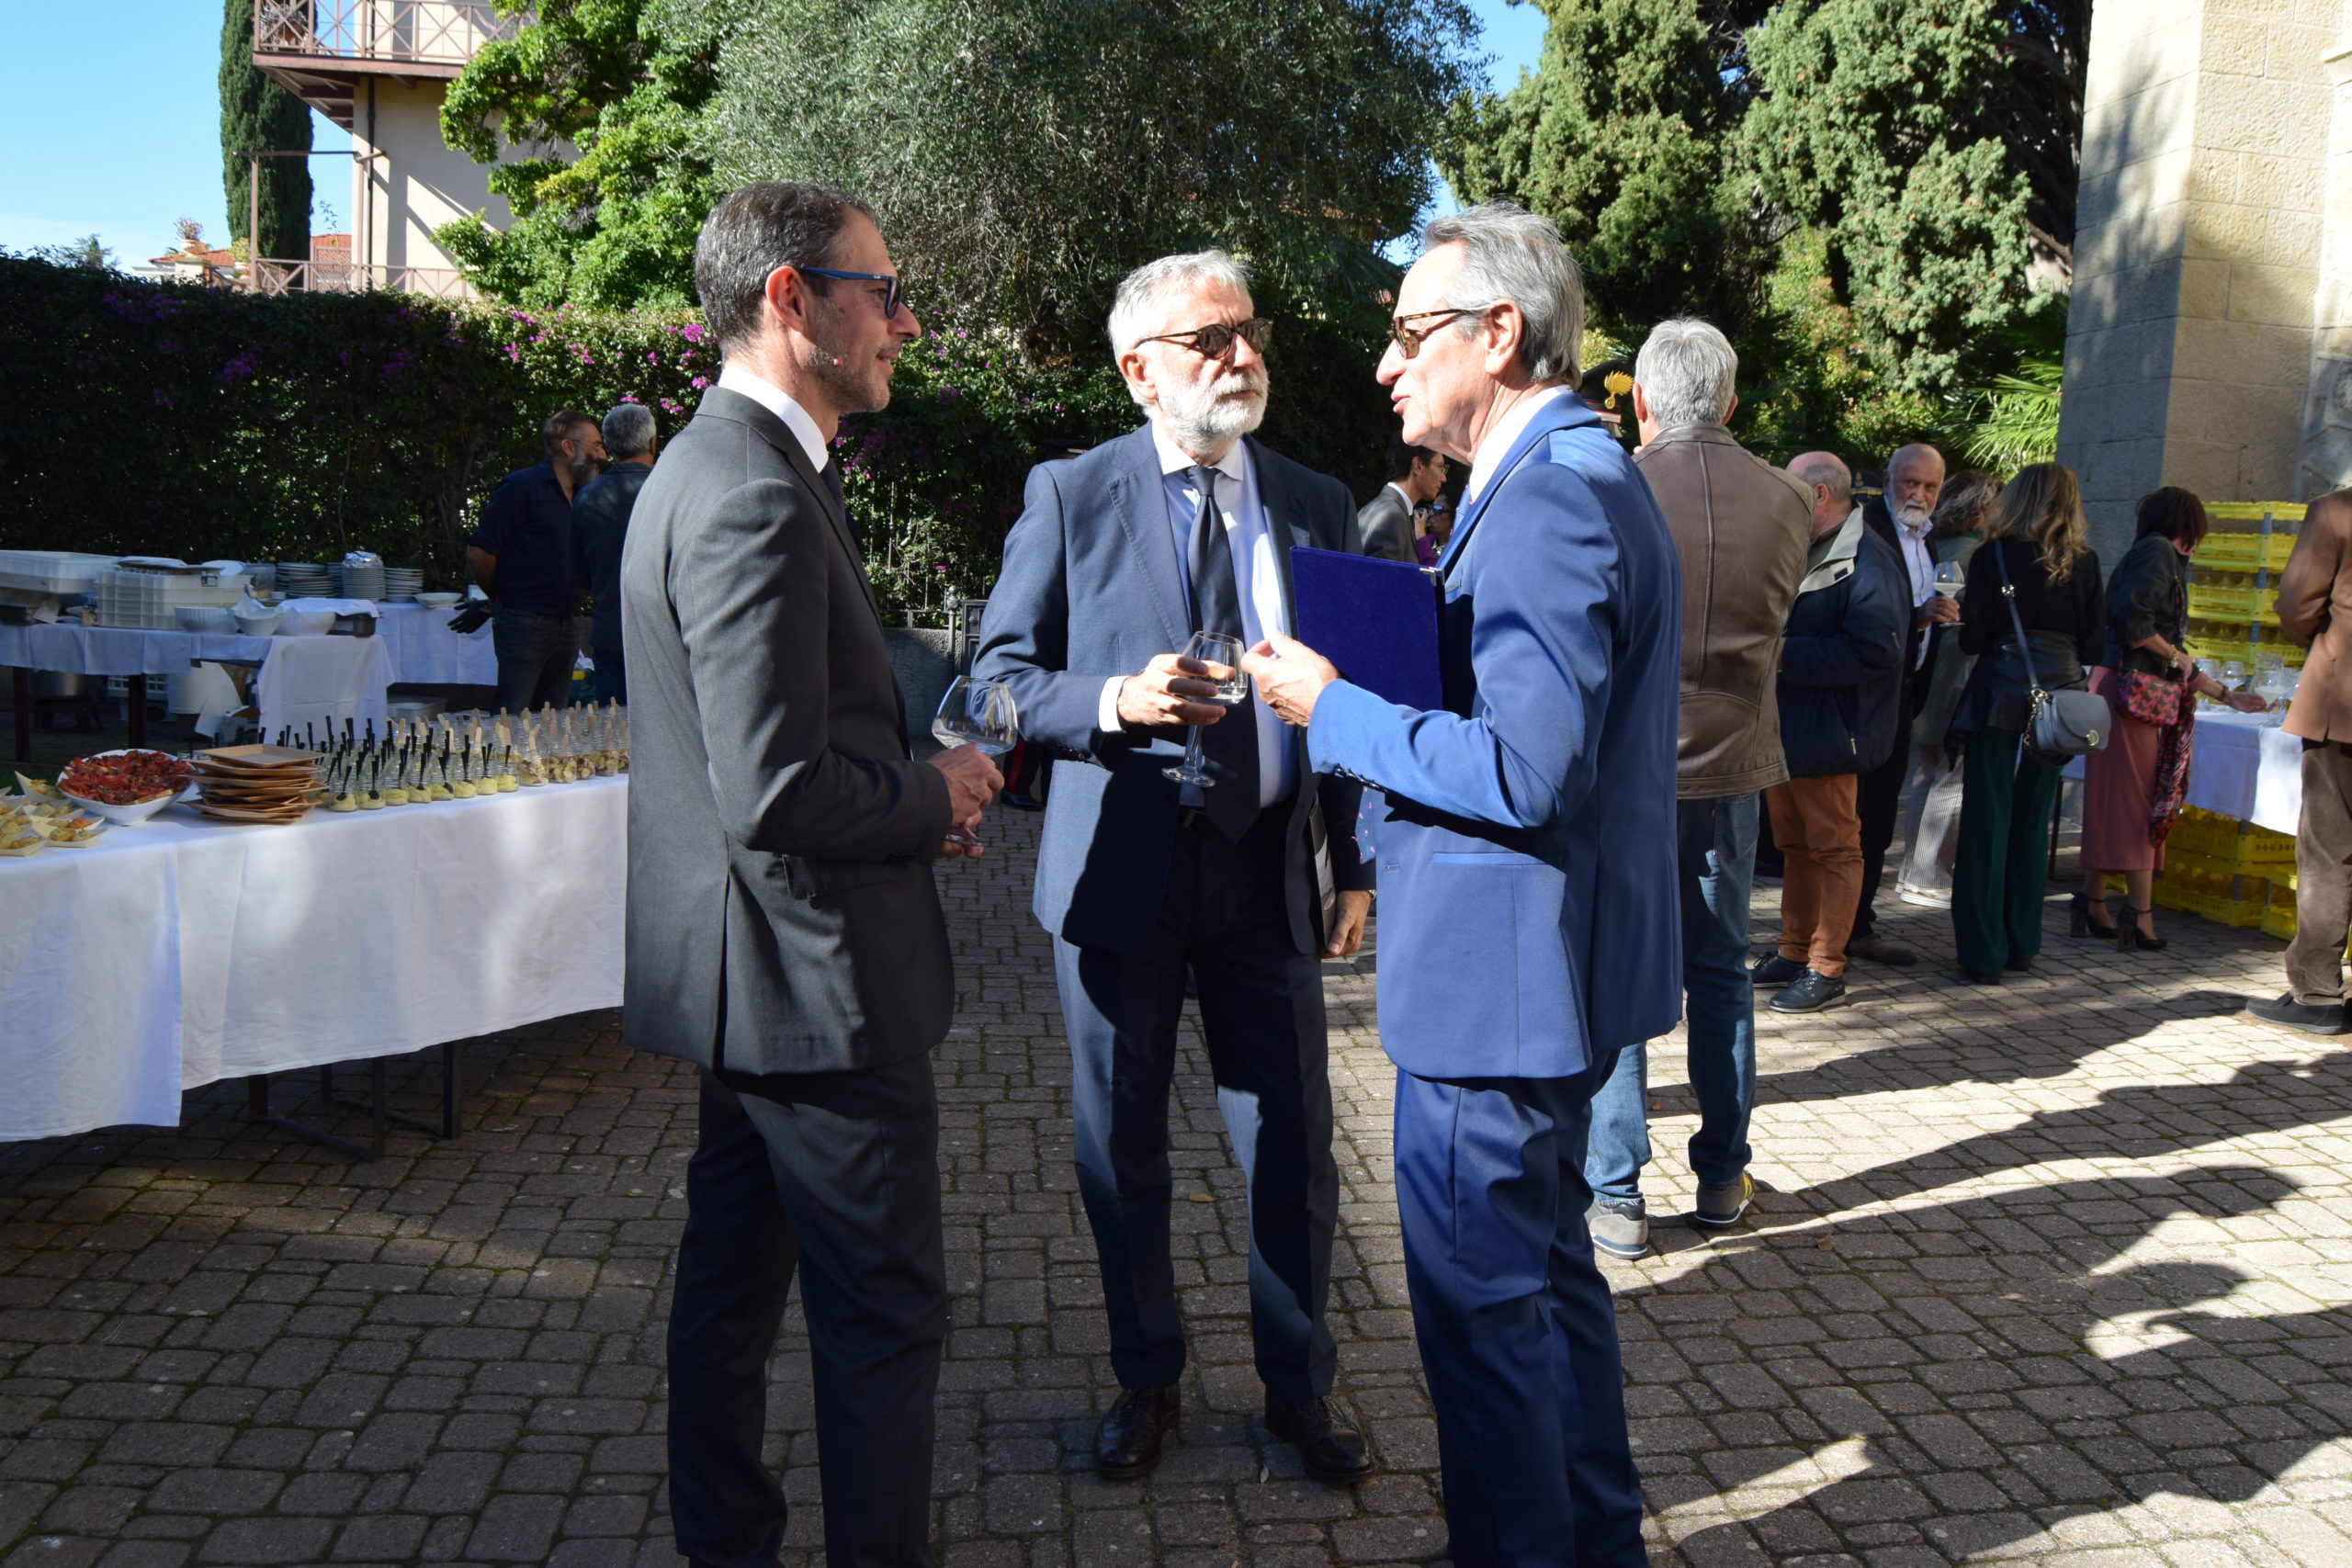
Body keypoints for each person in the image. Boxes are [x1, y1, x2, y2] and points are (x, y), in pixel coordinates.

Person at [1245, 201, 1679, 1568]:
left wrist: (1334, 708)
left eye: (1408, 332)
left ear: (1499, 333)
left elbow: (1526, 768)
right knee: (1548, 1288)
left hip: (1498, 996)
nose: (1385, 364)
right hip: (1536, 977)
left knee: (1485, 1321)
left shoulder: (1549, 492)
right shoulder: (1567, 471)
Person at [619, 180, 1004, 1568]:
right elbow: (774, 787)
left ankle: (727, 1543)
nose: (905, 322)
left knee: (730, 1289)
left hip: (757, 981)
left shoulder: (721, 466)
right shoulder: (749, 491)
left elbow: (769, 756)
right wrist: (933, 790)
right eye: (883, 291)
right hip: (817, 989)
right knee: (882, 1317)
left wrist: (902, 810)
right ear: (791, 299)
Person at [970, 251, 1376, 1485]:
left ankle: (1297, 1384)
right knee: (1122, 1144)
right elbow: (997, 680)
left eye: (1248, 332)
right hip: (1122, 874)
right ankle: (1146, 1377)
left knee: (1293, 1143)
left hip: (1266, 871)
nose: (1242, 356)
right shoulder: (1070, 492)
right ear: (1139, 370)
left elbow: (1344, 696)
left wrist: (1354, 861)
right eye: (1210, 340)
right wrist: (1114, 698)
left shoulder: (1313, 499)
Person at [1581, 318, 1809, 1260]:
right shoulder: (1791, 497)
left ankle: (1614, 1191)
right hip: (1734, 767)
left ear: (1640, 400)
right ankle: (1722, 1174)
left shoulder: (1612, 483)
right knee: (1720, 975)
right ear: (1731, 401)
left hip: (1630, 772)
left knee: (1620, 970)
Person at [1753, 453, 1906, 1014]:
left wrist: (1786, 654)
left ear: (1818, 495)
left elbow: (1877, 649)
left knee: (1836, 849)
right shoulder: (1814, 545)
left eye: (1789, 489)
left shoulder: (1869, 558)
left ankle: (1826, 965)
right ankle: (1795, 950)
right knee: (1796, 846)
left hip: (1832, 733)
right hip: (1790, 728)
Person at [2080, 488, 2267, 949]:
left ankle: (2093, 901)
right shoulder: (2159, 552)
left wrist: (2225, 694)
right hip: (2131, 691)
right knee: (2139, 803)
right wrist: (2174, 656)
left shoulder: (2148, 552)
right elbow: (2135, 624)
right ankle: (2138, 912)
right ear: (2189, 524)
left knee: (2114, 800)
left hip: (2119, 685)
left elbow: (2162, 646)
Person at [1948, 462, 2104, 983]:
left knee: (1986, 818)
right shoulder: (2085, 562)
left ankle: (1983, 952)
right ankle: (2022, 942)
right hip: (2061, 698)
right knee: (2035, 817)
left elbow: (1973, 638)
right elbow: (2095, 644)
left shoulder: (1992, 555)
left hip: (2000, 690)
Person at [1849, 442, 1959, 964]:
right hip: (1858, 698)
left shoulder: (1929, 540)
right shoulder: (1862, 529)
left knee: (1877, 822)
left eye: (1930, 486)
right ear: (1888, 480)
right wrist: (1918, 618)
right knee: (1846, 821)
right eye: (1910, 483)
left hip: (1901, 696)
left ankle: (1859, 924)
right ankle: (1824, 933)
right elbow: (1857, 612)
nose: (1918, 495)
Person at [2250, 486, 2352, 1033]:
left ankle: (2317, 993)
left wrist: (2327, 643)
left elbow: (2295, 605)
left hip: (2343, 697)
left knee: (2329, 849)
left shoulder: (2337, 510)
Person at [1895, 470, 2003, 908]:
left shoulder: (1934, 546)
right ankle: (1927, 875)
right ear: (1981, 507)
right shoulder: (1976, 554)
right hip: (1956, 677)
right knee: (1948, 775)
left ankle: (1917, 870)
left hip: (1931, 675)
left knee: (1931, 773)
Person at [469, 410, 605, 714]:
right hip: (524, 622)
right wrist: (500, 597)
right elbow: (479, 553)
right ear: (568, 447)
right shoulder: (522, 486)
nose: (602, 455)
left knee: (553, 720)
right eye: (596, 445)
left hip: (566, 622)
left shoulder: (583, 495)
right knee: (512, 717)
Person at [570, 402, 658, 705]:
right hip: (664, 634)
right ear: (652, 443)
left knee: (613, 726)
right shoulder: (669, 491)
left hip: (611, 630)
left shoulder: (587, 497)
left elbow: (576, 574)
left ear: (608, 445)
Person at [1358, 436, 1448, 563]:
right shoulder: (1392, 516)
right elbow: (1382, 576)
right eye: (1440, 467)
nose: (1444, 478)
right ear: (1418, 466)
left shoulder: (1381, 509)